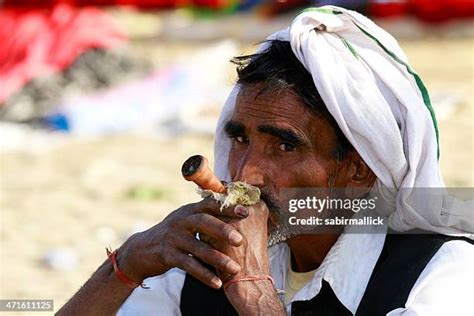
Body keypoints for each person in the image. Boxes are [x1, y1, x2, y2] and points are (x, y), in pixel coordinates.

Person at [58, 6, 474, 316]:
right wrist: (126, 266)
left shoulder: (439, 275)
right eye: (239, 139)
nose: (245, 172)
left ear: (358, 169)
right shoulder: (204, 268)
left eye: (284, 146)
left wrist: (257, 296)